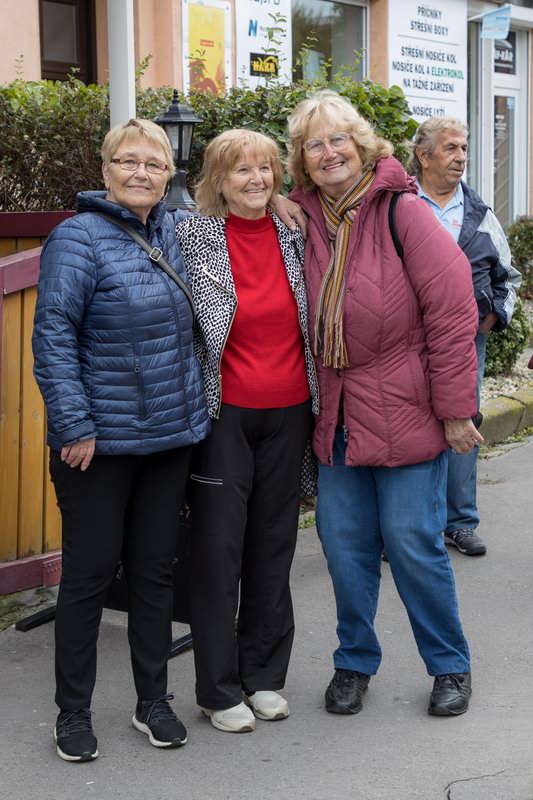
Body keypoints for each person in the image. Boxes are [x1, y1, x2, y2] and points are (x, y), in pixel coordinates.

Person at [287, 90, 481, 717]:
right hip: (337, 417)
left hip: (405, 409)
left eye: (338, 139)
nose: (329, 152)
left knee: (412, 543)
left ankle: (449, 665)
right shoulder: (302, 219)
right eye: (314, 145)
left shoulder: (403, 211)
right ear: (302, 160)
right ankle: (353, 662)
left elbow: (452, 312)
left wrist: (456, 409)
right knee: (343, 547)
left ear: (363, 145)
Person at [32, 119, 210, 762]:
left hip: (167, 438)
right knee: (88, 575)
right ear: (105, 170)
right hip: (98, 445)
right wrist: (74, 424)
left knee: (154, 574)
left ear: (168, 175)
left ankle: (151, 701)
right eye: (128, 161)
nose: (141, 173)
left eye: (153, 164)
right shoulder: (76, 238)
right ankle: (72, 712)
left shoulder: (175, 232)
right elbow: (53, 334)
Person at [176, 129, 318, 733]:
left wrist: (289, 200)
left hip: (291, 412)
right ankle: (217, 688)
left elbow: (355, 183)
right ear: (218, 179)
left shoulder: (294, 232)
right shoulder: (192, 235)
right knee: (217, 553)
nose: (256, 179)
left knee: (273, 546)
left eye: (265, 168)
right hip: (224, 416)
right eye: (242, 170)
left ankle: (263, 676)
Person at [411, 117, 521, 557]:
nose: (461, 157)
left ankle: (459, 522)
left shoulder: (481, 214)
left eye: (464, 148)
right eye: (451, 148)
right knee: (412, 425)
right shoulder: (400, 205)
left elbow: (507, 278)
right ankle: (413, 526)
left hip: (465, 343)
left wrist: (492, 317)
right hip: (407, 341)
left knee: (464, 423)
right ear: (423, 156)